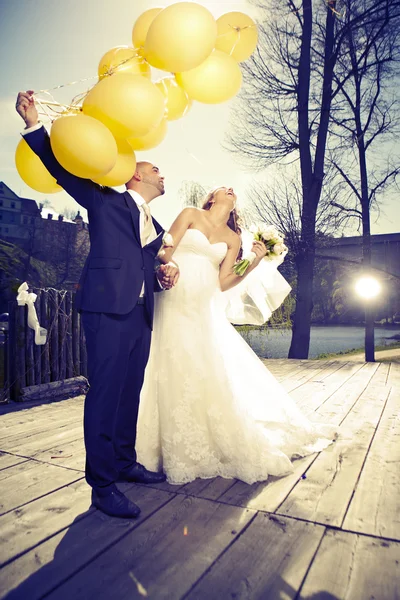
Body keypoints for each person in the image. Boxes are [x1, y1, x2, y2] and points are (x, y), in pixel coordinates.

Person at [16, 91, 179, 518]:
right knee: (105, 395)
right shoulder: (105, 201)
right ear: (135, 175)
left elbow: (145, 271)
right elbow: (60, 170)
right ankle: (102, 485)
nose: (163, 174)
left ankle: (125, 463)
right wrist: (35, 125)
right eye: (156, 168)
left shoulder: (157, 227)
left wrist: (163, 276)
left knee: (130, 393)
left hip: (141, 317)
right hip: (106, 311)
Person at [135, 187, 338, 485]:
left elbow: (225, 281)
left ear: (233, 204)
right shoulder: (191, 214)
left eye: (233, 189)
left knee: (202, 366)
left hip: (203, 305)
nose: (230, 189)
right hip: (174, 295)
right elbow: (165, 248)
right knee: (166, 360)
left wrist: (254, 260)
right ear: (212, 198)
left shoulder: (232, 239)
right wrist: (171, 264)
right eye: (223, 187)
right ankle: (152, 446)